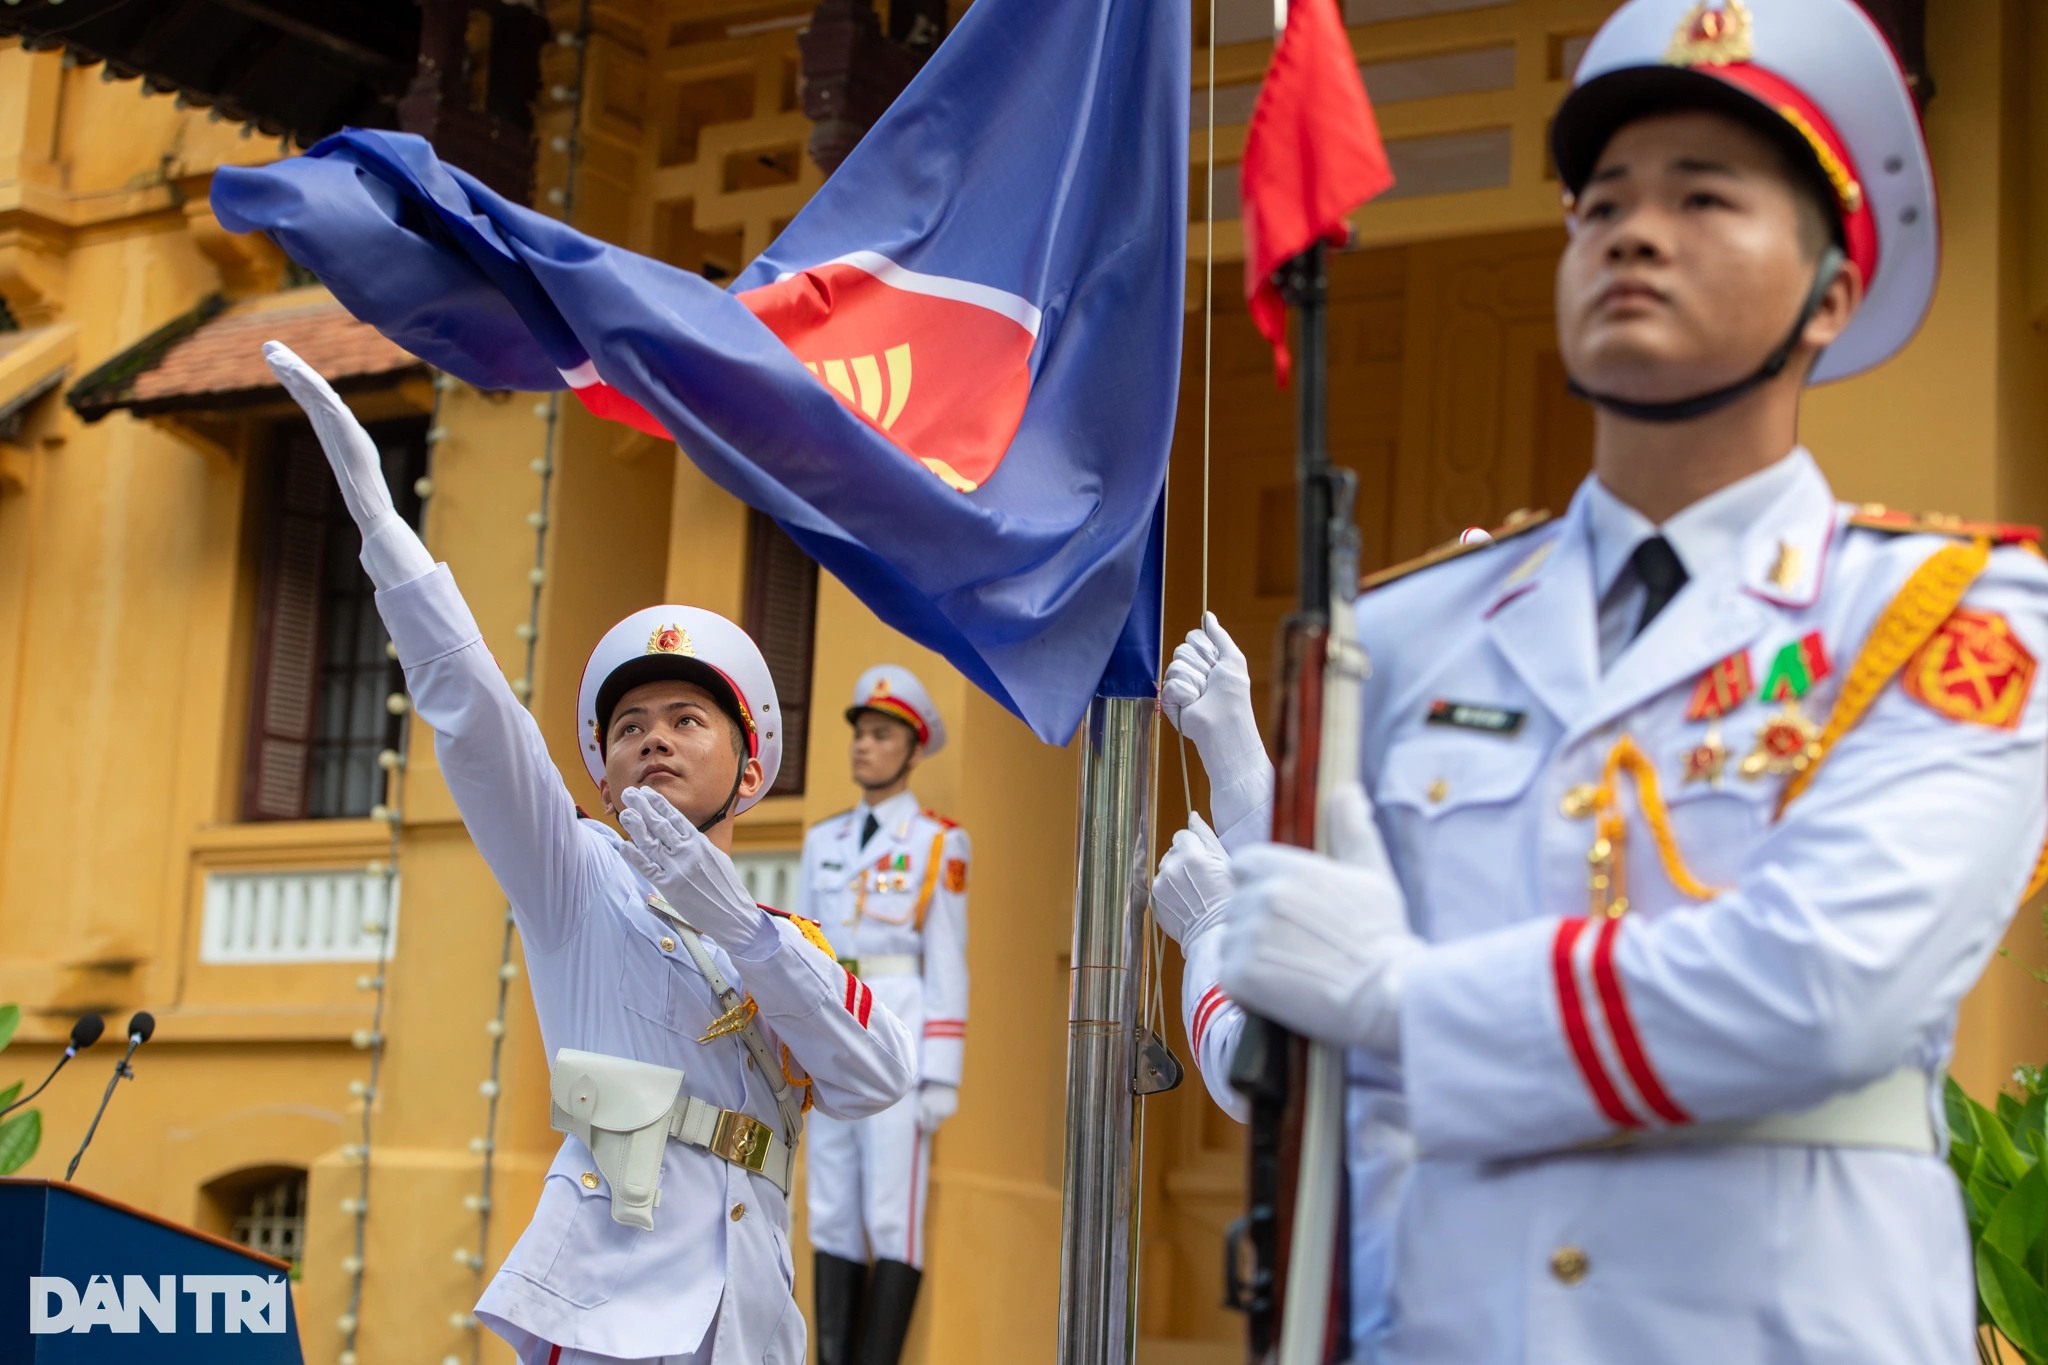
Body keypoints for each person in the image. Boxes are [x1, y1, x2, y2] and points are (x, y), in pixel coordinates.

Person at [1189, 1, 2048, 1361]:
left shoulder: (1949, 617)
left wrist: (1406, 1000)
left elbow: (1822, 986)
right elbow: (1353, 1106)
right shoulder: (1403, 637)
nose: (1633, 233)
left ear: (1831, 291)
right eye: (1600, 205)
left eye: (1706, 198)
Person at [261, 341, 916, 1365]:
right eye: (629, 726)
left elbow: (875, 1076)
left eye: (689, 719)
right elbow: (479, 723)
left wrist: (736, 925)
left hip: (747, 1319)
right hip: (612, 1302)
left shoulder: (782, 940)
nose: (653, 735)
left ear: (750, 773)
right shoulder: (572, 874)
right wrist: (390, 543)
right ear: (603, 774)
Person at [797, 666, 969, 1365]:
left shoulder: (938, 841)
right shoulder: (824, 840)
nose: (864, 747)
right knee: (831, 1205)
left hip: (900, 1028)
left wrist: (941, 1075)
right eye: (860, 734)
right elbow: (805, 946)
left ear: (913, 750)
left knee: (891, 1214)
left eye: (881, 735)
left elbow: (949, 958)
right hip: (835, 1027)